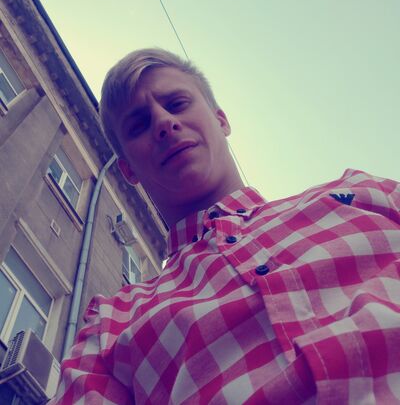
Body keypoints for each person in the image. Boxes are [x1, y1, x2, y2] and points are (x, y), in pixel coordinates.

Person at [52, 48, 400, 404]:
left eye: (177, 103)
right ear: (128, 170)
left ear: (221, 120)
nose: (163, 123)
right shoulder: (112, 324)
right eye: (139, 125)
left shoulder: (364, 193)